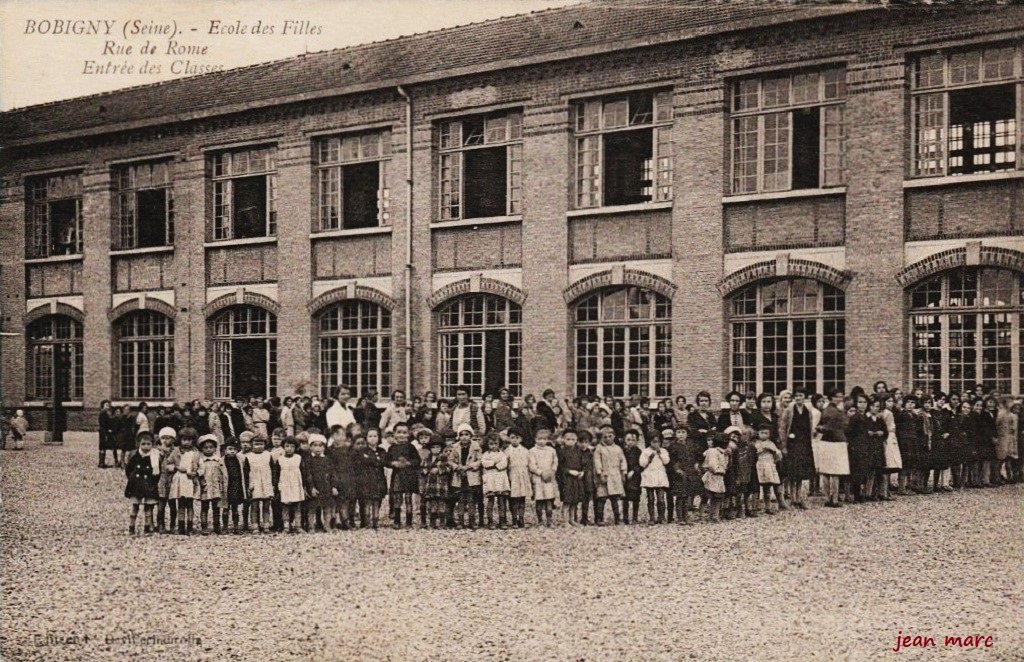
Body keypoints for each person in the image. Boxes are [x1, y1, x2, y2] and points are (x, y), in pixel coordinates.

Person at [778, 388, 818, 510]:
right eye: (796, 396)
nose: (798, 398)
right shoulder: (789, 410)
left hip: (804, 444)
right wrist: (784, 445)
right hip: (792, 444)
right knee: (792, 472)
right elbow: (783, 428)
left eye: (800, 395)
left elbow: (810, 426)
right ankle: (793, 498)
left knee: (801, 473)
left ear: (804, 397)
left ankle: (799, 498)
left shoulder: (807, 410)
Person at [817, 388, 850, 508]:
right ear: (831, 398)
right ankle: (834, 499)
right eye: (836, 396)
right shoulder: (835, 411)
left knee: (826, 471)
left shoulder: (826, 410)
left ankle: (827, 498)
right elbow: (844, 424)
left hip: (827, 441)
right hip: (836, 442)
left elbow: (820, 426)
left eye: (840, 396)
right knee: (835, 472)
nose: (839, 399)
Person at [124, 431, 160, 535]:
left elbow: (158, 473)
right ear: (139, 444)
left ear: (152, 444)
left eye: (148, 444)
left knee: (148, 508)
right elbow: (128, 469)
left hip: (149, 485)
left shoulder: (154, 458)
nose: (146, 446)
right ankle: (131, 527)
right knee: (135, 506)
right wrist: (132, 479)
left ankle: (147, 528)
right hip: (136, 485)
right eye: (143, 444)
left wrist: (153, 483)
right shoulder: (135, 456)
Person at [385, 422, 421, 528]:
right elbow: (386, 461)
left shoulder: (411, 447)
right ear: (394, 434)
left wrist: (408, 463)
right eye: (399, 432)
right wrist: (393, 463)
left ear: (408, 434)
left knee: (408, 499)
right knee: (397, 498)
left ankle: (409, 522)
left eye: (404, 432)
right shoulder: (392, 448)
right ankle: (397, 521)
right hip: (397, 475)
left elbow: (417, 460)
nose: (401, 435)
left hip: (409, 475)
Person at [449, 425, 483, 529]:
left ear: (471, 436)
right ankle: (460, 521)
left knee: (471, 499)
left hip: (471, 475)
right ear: (458, 436)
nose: (464, 437)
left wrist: (470, 466)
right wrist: (457, 467)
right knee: (461, 500)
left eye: (467, 434)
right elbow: (450, 460)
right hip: (460, 475)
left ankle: (472, 520)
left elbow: (480, 460)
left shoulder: (476, 447)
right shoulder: (455, 447)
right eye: (462, 435)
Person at [593, 425, 627, 525]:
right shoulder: (599, 448)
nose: (608, 438)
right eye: (605, 437)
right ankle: (599, 518)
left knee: (615, 497)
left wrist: (624, 472)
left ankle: (617, 518)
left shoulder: (618, 448)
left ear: (614, 436)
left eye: (610, 436)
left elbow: (622, 460)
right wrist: (600, 473)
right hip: (605, 475)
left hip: (615, 475)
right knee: (602, 497)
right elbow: (597, 461)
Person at [168, 428, 200, 535]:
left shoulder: (195, 452)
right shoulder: (176, 452)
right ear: (180, 440)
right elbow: (168, 464)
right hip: (180, 479)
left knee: (190, 504)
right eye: (184, 439)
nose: (186, 442)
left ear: (193, 440)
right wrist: (176, 467)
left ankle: (190, 526)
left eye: (189, 440)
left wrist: (196, 473)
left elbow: (201, 465)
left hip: (190, 480)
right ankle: (181, 526)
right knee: (181, 504)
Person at [196, 434, 227, 534]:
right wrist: (201, 482)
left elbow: (222, 473)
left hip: (215, 487)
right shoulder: (200, 461)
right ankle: (204, 526)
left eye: (211, 447)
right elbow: (199, 473)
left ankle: (216, 526)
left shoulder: (218, 460)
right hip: (205, 487)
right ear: (202, 449)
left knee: (216, 508)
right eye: (206, 447)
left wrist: (222, 484)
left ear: (215, 448)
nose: (208, 449)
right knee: (204, 507)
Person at [328, 425, 356, 530]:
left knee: (346, 500)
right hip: (334, 477)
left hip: (347, 477)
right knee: (335, 501)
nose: (340, 437)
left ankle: (346, 521)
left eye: (342, 434)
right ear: (333, 436)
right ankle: (335, 521)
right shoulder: (329, 450)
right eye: (337, 434)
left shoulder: (348, 449)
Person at [528, 429, 558, 527]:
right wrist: (540, 472)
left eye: (544, 439)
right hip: (538, 478)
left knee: (549, 499)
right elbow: (531, 465)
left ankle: (549, 520)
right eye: (539, 439)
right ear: (535, 439)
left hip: (549, 478)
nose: (542, 441)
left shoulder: (551, 450)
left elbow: (555, 462)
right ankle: (540, 520)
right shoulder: (532, 451)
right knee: (539, 500)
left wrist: (552, 471)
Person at [480, 433, 511, 529]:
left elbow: (504, 464)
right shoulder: (486, 454)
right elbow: (484, 463)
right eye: (491, 444)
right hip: (490, 480)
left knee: (501, 500)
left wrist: (496, 466)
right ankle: (490, 521)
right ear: (487, 445)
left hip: (500, 479)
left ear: (499, 444)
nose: (493, 446)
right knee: (490, 500)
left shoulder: (502, 454)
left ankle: (502, 520)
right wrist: (494, 463)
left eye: (495, 444)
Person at [421, 436, 451, 528]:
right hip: (430, 484)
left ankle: (442, 522)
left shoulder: (444, 458)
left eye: (438, 447)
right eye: (433, 447)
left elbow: (449, 468)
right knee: (433, 503)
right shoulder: (427, 458)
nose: (435, 449)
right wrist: (427, 470)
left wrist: (439, 469)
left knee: (441, 504)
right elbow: (422, 468)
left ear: (441, 448)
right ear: (430, 449)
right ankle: (432, 522)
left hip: (441, 484)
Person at [753, 423, 784, 514]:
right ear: (758, 433)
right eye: (762, 433)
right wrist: (760, 451)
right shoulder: (756, 443)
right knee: (757, 488)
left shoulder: (771, 443)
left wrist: (773, 453)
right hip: (759, 466)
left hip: (768, 466)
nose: (764, 435)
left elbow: (779, 455)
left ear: (769, 434)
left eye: (766, 433)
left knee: (767, 488)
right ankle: (756, 506)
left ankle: (768, 507)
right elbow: (753, 454)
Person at [639, 434, 670, 524]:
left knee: (661, 498)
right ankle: (652, 518)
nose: (656, 444)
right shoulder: (645, 451)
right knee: (651, 498)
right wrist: (649, 459)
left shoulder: (663, 451)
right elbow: (642, 463)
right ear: (650, 442)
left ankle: (662, 517)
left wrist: (660, 453)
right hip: (650, 476)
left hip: (660, 476)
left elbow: (666, 461)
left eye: (658, 442)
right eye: (654, 442)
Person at [277, 437, 305, 533]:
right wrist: (278, 486)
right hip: (285, 484)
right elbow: (277, 473)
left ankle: (298, 526)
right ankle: (286, 526)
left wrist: (304, 486)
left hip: (296, 484)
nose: (289, 448)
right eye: (287, 446)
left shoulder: (298, 458)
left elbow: (303, 472)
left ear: (295, 448)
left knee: (297, 505)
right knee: (285, 506)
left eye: (292, 446)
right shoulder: (280, 459)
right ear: (283, 447)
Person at [246, 435, 274, 533]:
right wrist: (247, 486)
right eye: (256, 444)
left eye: (261, 444)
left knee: (266, 505)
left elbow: (272, 469)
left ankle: (266, 524)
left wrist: (273, 484)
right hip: (254, 482)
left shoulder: (267, 455)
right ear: (251, 445)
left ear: (265, 445)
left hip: (266, 482)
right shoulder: (248, 457)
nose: (259, 446)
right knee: (254, 505)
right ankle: (255, 525)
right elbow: (246, 472)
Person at [504, 429, 531, 528]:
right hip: (512, 476)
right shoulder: (507, 451)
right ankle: (514, 519)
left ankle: (521, 518)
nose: (515, 440)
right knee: (513, 499)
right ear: (508, 439)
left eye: (517, 438)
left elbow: (529, 464)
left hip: (522, 476)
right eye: (512, 438)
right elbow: (505, 465)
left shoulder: (525, 451)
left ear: (521, 439)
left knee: (522, 498)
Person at [558, 430, 585, 526]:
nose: (570, 441)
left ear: (576, 440)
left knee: (575, 500)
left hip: (576, 478)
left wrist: (582, 472)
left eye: (573, 439)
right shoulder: (561, 451)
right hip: (567, 479)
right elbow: (560, 467)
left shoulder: (579, 451)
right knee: (567, 500)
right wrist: (569, 471)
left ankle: (572, 519)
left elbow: (583, 463)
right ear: (563, 440)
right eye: (568, 439)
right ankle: (564, 520)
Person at [155, 428, 179, 533]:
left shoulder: (176, 451)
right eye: (163, 438)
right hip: (161, 479)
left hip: (172, 479)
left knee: (173, 505)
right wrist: (160, 454)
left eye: (168, 438)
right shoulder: (157, 451)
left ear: (173, 439)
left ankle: (173, 525)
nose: (165, 440)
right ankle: (160, 524)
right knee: (161, 505)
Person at [221, 438, 248, 534]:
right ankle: (225, 527)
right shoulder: (222, 461)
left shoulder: (240, 460)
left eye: (235, 449)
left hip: (236, 486)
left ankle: (236, 527)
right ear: (225, 450)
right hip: (226, 487)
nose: (232, 451)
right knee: (225, 508)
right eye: (230, 449)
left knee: (235, 508)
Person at [702, 434, 729, 522]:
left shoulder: (724, 452)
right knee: (711, 495)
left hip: (719, 476)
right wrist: (720, 470)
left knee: (718, 497)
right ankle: (709, 514)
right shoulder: (713, 451)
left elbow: (726, 464)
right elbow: (712, 465)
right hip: (713, 475)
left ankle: (715, 515)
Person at [622, 430, 643, 525]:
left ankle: (635, 517)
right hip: (625, 475)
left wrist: (634, 470)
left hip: (635, 476)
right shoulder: (622, 451)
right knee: (625, 497)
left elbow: (641, 464)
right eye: (628, 439)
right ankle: (625, 517)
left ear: (637, 441)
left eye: (633, 440)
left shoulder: (638, 451)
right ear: (625, 440)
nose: (630, 442)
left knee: (636, 497)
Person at [98, 401, 116, 467]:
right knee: (102, 446)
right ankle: (101, 462)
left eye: (108, 405)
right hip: (104, 432)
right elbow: (103, 423)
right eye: (106, 405)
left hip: (104, 431)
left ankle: (101, 462)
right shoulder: (103, 413)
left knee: (103, 447)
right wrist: (107, 430)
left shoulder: (106, 413)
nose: (108, 406)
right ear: (103, 406)